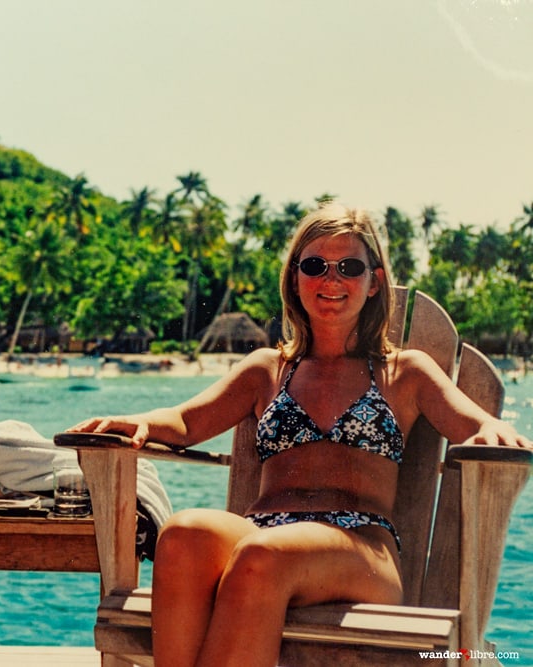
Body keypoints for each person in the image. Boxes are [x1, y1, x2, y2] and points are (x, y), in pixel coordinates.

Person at [68, 203, 531, 667]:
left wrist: (492, 428)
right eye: (314, 266)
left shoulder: (403, 373)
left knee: (262, 557)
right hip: (262, 533)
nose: (331, 280)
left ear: (374, 282)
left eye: (349, 267)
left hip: (362, 549)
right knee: (184, 535)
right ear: (294, 279)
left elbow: (475, 424)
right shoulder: (267, 369)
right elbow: (188, 422)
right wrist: (144, 423)